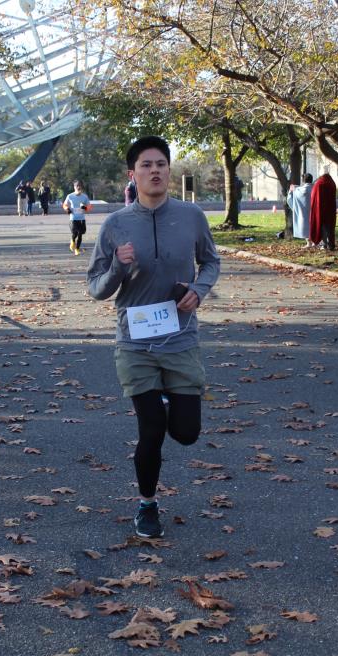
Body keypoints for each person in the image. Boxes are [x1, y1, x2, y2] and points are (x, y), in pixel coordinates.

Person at [87, 135, 221, 539]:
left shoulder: (191, 216)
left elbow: (210, 262)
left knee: (186, 432)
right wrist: (117, 266)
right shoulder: (116, 225)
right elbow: (96, 288)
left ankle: (165, 399)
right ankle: (147, 505)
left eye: (161, 163)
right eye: (146, 165)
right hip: (136, 342)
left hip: (180, 338)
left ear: (169, 170)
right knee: (150, 430)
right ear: (133, 174)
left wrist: (199, 290)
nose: (155, 171)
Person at [310, 170, 337, 250]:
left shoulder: (319, 183)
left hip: (320, 208)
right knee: (330, 227)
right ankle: (331, 244)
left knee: (322, 226)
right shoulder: (332, 183)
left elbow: (314, 196)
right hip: (330, 208)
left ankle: (324, 244)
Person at [63, 180, 91, 255]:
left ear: (82, 187)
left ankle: (77, 249)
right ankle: (72, 241)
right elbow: (65, 204)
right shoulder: (70, 196)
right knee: (75, 233)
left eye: (80, 186)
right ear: (74, 187)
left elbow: (89, 206)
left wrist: (85, 208)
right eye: (77, 186)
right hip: (73, 218)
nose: (78, 187)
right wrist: (67, 209)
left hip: (81, 218)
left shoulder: (84, 196)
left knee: (80, 234)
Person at [287, 173, 313, 246]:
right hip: (313, 211)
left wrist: (292, 189)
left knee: (305, 225)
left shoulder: (299, 190)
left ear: (303, 180)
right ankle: (314, 241)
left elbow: (289, 198)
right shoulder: (315, 188)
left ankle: (309, 242)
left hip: (303, 212)